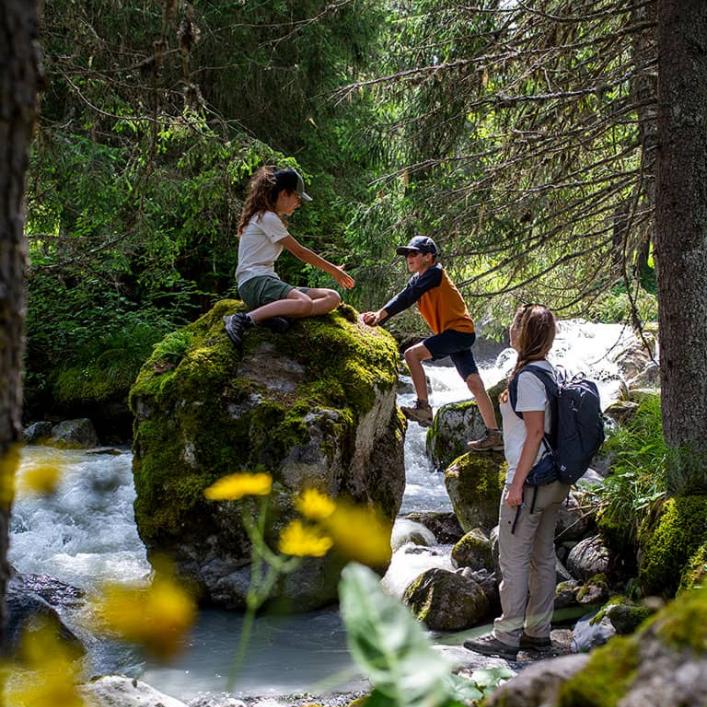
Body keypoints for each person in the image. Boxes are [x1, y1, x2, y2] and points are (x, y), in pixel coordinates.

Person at [464, 303, 570, 659]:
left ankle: (507, 637)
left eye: (515, 324)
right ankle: (537, 633)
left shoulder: (527, 378)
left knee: (513, 560)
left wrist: (516, 484)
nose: (510, 329)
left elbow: (535, 432)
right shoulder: (548, 372)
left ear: (524, 333)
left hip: (531, 483)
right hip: (554, 481)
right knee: (542, 558)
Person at [361, 235, 501, 446]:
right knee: (474, 382)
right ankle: (494, 434)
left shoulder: (434, 273)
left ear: (428, 256)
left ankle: (424, 408)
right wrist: (379, 315)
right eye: (407, 254)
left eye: (414, 253)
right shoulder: (420, 278)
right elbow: (404, 295)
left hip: (457, 333)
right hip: (457, 333)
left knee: (411, 355)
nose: (409, 258)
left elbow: (407, 298)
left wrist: (380, 316)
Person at [224, 165, 355, 348]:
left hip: (266, 282)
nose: (298, 203)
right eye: (297, 197)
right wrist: (334, 271)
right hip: (254, 282)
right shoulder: (266, 217)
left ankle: (273, 315)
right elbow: (300, 252)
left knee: (332, 297)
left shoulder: (269, 217)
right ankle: (242, 319)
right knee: (304, 303)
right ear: (284, 193)